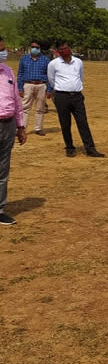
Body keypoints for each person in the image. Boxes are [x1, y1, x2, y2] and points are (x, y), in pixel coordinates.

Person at [48, 42, 104, 157]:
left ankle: (90, 148)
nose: (64, 51)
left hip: (77, 96)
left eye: (66, 48)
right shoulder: (53, 64)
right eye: (61, 49)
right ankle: (69, 147)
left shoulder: (78, 62)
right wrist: (61, 89)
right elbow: (51, 80)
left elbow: (80, 76)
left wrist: (75, 87)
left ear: (70, 49)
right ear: (58, 51)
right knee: (65, 123)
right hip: (61, 96)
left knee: (83, 122)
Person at [0, 38, 27, 226]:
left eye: (3, 49)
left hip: (8, 125)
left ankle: (0, 209)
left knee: (3, 169)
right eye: (1, 50)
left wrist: (20, 126)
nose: (4, 53)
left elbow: (16, 100)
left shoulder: (8, 71)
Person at [17, 41, 51, 136]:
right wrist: (20, 88)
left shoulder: (45, 60)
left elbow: (49, 75)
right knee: (25, 108)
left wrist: (49, 89)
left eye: (36, 47)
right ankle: (22, 128)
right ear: (30, 47)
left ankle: (38, 128)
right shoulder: (24, 59)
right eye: (33, 47)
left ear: (40, 48)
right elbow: (20, 74)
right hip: (28, 85)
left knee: (40, 108)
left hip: (41, 85)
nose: (34, 49)